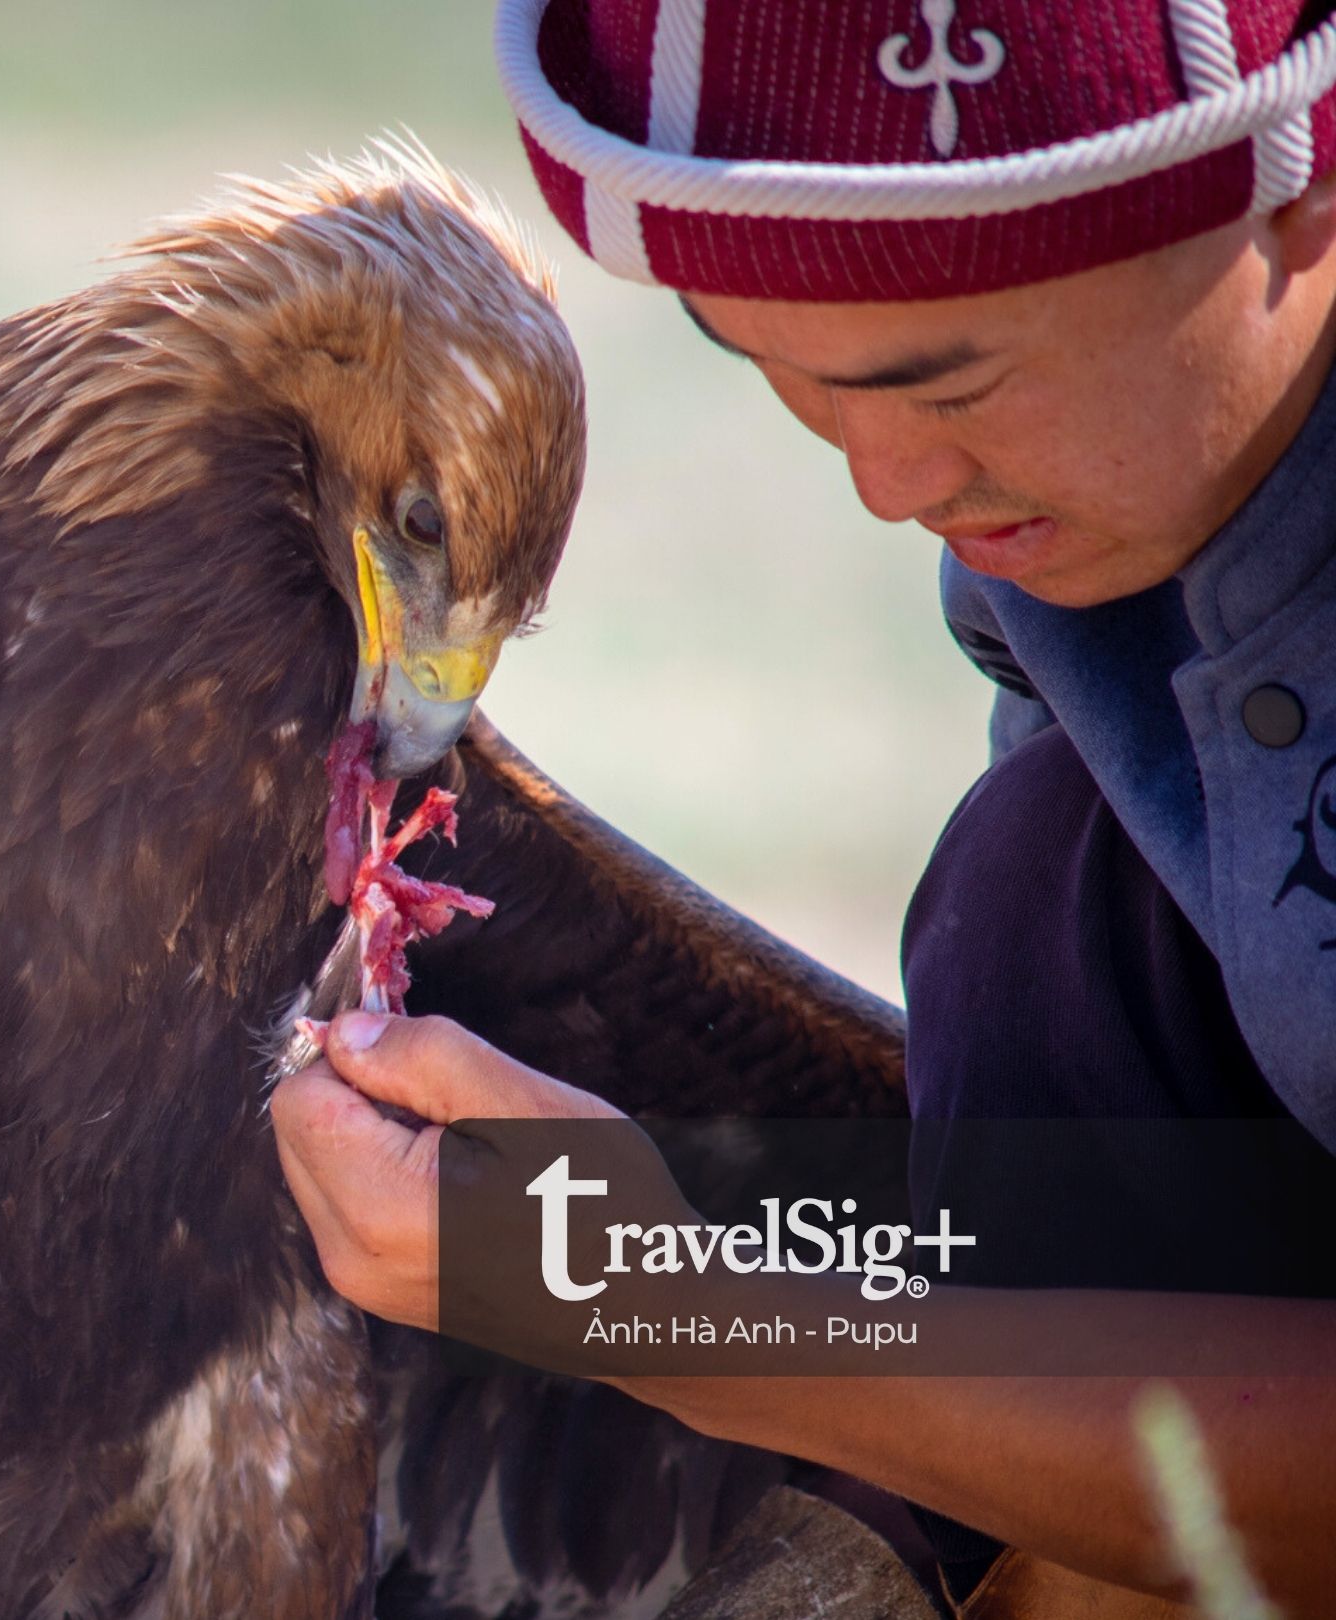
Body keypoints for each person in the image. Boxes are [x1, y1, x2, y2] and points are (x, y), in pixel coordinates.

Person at [273, 1, 1336, 1613]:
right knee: (1048, 906)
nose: (887, 486)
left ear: (1304, 184)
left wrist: (675, 1303)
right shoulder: (1103, 555)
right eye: (780, 372)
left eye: (957, 382)